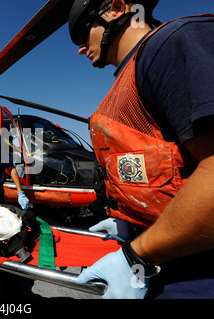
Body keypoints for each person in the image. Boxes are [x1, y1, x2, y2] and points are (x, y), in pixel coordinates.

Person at [68, 0, 214, 298]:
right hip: (165, 257)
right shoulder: (134, 72)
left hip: (198, 272)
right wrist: (128, 224)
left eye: (83, 33)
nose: (81, 48)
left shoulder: (171, 45)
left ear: (118, 7)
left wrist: (136, 255)